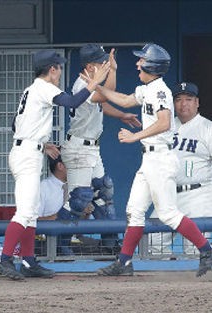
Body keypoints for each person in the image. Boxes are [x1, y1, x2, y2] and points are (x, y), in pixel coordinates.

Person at [95, 43, 212, 277]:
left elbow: (164, 122)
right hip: (148, 160)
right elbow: (126, 101)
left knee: (168, 213)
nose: (138, 63)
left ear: (151, 65)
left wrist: (133, 136)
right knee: (134, 210)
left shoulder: (160, 91)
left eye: (141, 60)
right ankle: (124, 262)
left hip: (159, 158)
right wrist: (97, 86)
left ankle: (207, 251)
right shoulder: (147, 88)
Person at [0, 49, 110, 280]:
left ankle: (28, 261)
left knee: (30, 212)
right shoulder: (44, 87)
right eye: (58, 68)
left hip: (29, 150)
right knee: (26, 211)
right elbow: (72, 101)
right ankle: (4, 260)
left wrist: (42, 143)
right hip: (27, 155)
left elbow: (15, 125)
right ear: (52, 69)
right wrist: (95, 82)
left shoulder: (31, 90)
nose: (59, 72)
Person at [61, 44, 141, 250]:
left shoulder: (90, 84)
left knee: (104, 192)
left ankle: (111, 245)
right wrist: (113, 71)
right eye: (101, 63)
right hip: (79, 148)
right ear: (89, 66)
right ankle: (57, 245)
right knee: (80, 199)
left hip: (91, 148)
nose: (105, 65)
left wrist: (122, 115)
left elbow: (101, 103)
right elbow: (106, 94)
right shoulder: (82, 85)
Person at [149, 82, 212, 255]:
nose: (183, 104)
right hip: (168, 194)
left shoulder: (208, 129)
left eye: (189, 99)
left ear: (197, 102)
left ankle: (195, 282)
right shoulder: (164, 127)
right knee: (152, 244)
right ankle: (167, 282)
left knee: (195, 251)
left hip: (198, 195)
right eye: (178, 100)